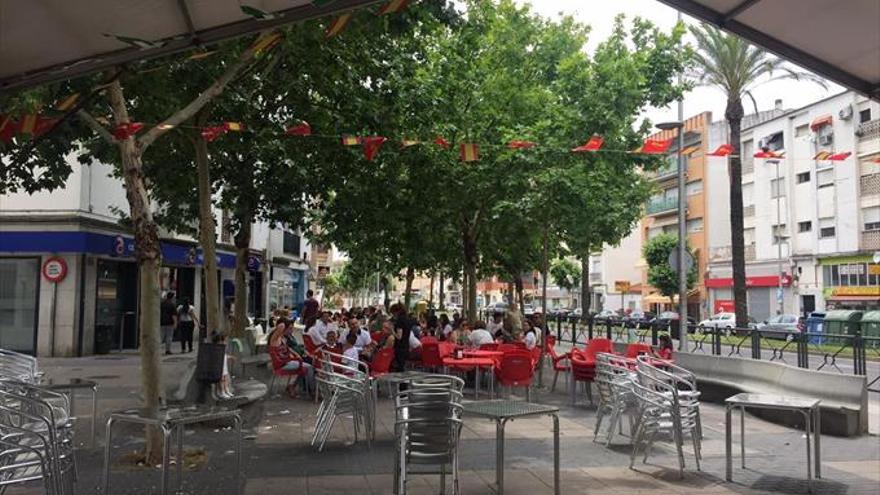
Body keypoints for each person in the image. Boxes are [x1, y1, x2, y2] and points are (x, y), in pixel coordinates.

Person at [269, 322, 315, 398]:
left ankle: (294, 386)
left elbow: (288, 348)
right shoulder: (274, 339)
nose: (291, 330)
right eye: (289, 328)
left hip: (286, 361)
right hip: (283, 364)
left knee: (306, 366)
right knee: (309, 367)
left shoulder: (282, 339)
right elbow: (281, 326)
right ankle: (312, 390)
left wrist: (296, 354)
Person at [212, 332, 235, 399]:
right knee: (222, 379)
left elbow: (224, 355)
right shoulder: (218, 348)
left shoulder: (222, 348)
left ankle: (227, 390)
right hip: (220, 365)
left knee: (225, 378)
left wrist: (230, 357)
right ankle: (222, 392)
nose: (226, 342)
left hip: (224, 364)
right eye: (225, 340)